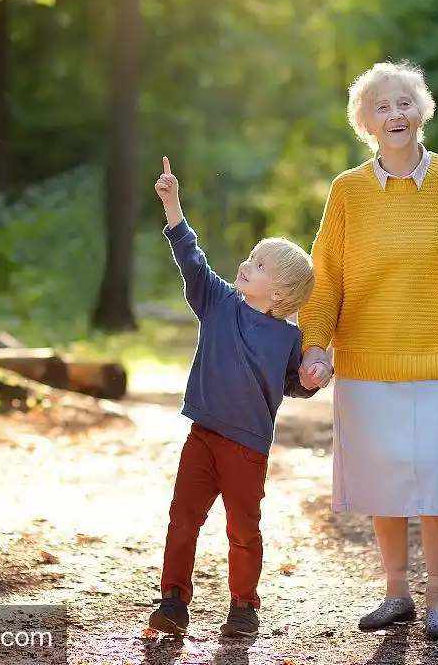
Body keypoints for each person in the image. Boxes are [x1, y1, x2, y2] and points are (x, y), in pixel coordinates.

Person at [296, 61, 438, 639]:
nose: (395, 114)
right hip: (366, 359)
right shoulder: (347, 191)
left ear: (422, 111)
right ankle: (397, 593)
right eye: (382, 107)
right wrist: (315, 344)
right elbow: (327, 276)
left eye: (404, 103)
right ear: (365, 124)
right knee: (384, 478)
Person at [148, 155, 322, 638]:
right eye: (250, 257)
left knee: (243, 532)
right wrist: (173, 206)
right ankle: (172, 601)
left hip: (247, 449)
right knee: (182, 518)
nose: (247, 264)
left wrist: (308, 380)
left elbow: (290, 382)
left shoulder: (288, 337)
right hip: (202, 436)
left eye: (260, 265)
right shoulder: (218, 302)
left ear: (282, 293)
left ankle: (243, 606)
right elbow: (192, 261)